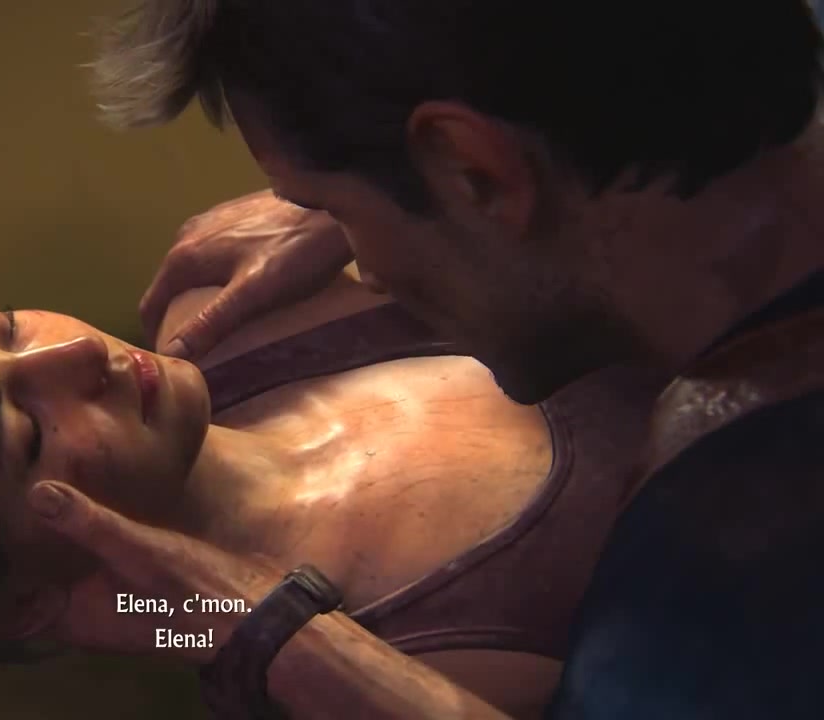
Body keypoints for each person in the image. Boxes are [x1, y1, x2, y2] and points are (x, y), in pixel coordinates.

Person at [52, 0, 824, 718]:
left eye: (327, 207)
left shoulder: (709, 625)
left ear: (470, 165)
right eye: (22, 433)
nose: (363, 267)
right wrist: (408, 190)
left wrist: (274, 635)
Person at [0, 268, 661, 718]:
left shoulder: (237, 303)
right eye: (24, 429)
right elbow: (190, 626)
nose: (76, 351)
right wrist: (262, 628)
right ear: (28, 603)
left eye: (2, 328)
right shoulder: (355, 678)